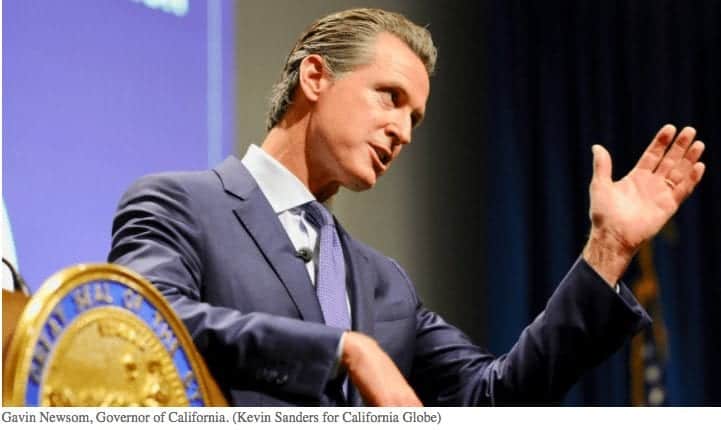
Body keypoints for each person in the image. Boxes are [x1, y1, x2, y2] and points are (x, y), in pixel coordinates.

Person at [108, 8, 706, 406]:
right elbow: (145, 328)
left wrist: (608, 252)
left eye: (414, 117)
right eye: (389, 98)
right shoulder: (180, 204)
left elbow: (492, 399)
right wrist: (344, 351)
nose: (404, 132)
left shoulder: (383, 284)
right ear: (315, 76)